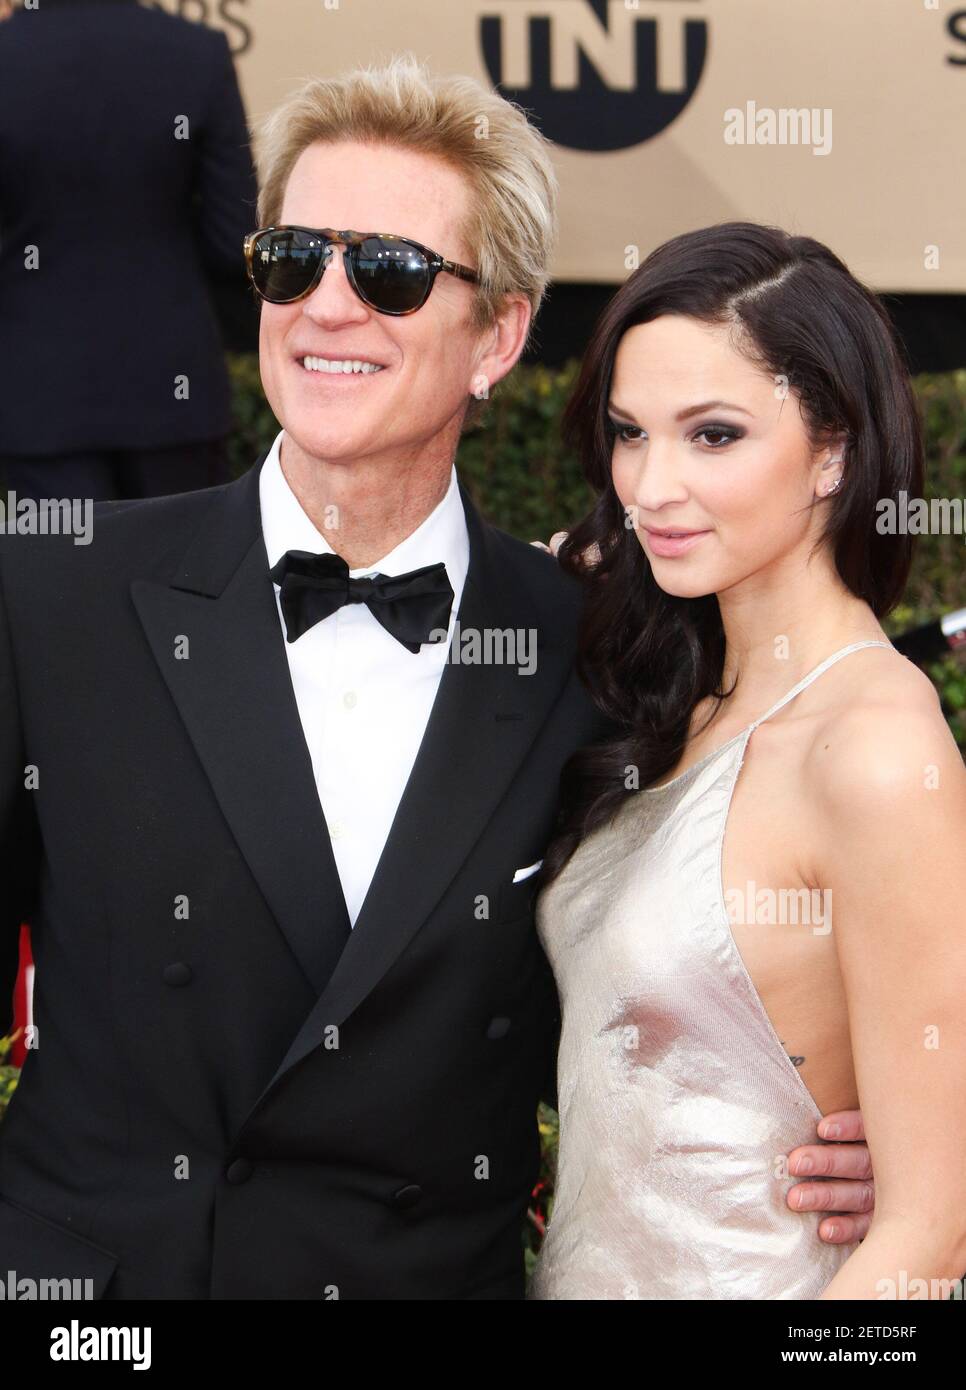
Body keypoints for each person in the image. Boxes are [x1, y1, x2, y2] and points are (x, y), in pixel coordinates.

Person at [0, 60, 875, 1300]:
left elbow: (721, 960)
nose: (329, 308)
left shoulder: (611, 652)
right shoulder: (57, 595)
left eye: (393, 272)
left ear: (501, 336)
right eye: (292, 260)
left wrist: (864, 1129)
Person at [528, 222, 966, 1299]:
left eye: (713, 435)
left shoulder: (871, 748)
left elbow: (925, 1244)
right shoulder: (683, 678)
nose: (653, 485)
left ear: (833, 447)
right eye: (631, 434)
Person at [0, 0, 256, 501]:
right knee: (181, 575)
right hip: (174, 388)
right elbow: (233, 237)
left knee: (64, 577)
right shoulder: (198, 53)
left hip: (38, 396)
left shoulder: (8, 57)